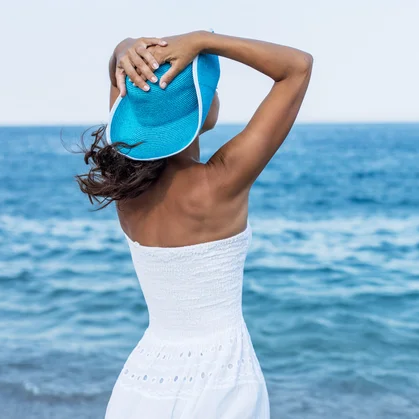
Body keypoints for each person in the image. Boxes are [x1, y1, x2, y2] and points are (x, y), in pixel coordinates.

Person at [75, 30, 312, 418]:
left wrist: (125, 51)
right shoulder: (219, 183)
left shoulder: (125, 187)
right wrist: (204, 40)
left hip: (145, 378)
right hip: (220, 380)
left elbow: (117, 74)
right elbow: (297, 68)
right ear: (200, 113)